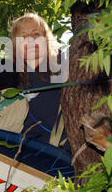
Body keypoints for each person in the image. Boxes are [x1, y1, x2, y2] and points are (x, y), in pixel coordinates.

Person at [10, 12, 70, 150]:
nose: (30, 40)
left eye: (36, 34)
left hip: (68, 151)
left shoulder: (64, 65)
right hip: (30, 156)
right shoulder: (12, 79)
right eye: (23, 37)